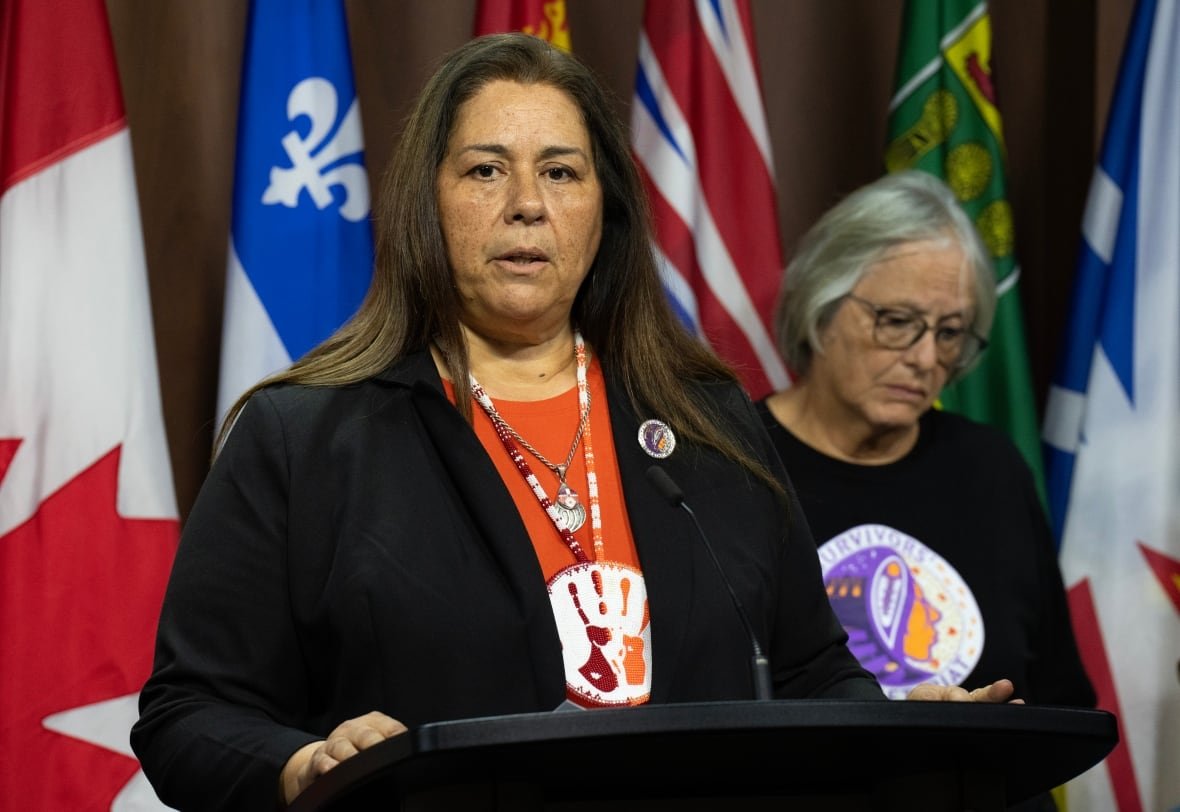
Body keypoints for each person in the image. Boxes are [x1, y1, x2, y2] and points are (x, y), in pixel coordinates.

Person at [131, 36, 1015, 811]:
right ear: (425, 203)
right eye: (485, 170)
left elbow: (807, 671)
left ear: (604, 211)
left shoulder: (705, 421)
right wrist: (300, 764)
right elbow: (188, 715)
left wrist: (892, 727)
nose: (527, 204)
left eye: (561, 171)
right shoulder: (306, 437)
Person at [757, 171, 1095, 711]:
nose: (924, 358)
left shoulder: (991, 469)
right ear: (820, 304)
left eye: (949, 333)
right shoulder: (732, 464)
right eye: (897, 321)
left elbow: (1060, 696)